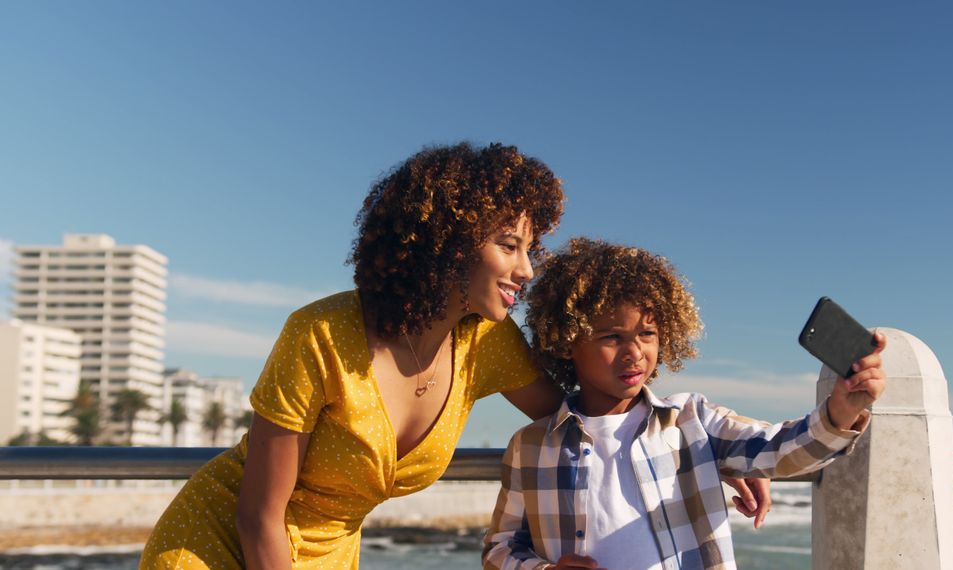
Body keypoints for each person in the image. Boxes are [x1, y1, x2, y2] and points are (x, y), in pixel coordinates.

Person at [138, 142, 773, 569]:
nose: (527, 269)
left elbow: (593, 420)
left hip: (332, 555)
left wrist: (695, 452)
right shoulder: (320, 335)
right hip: (219, 545)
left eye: (531, 248)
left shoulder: (486, 344)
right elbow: (259, 514)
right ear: (446, 242)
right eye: (509, 245)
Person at [482, 238, 888, 570]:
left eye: (647, 334)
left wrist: (841, 412)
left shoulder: (693, 420)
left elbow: (779, 449)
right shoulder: (531, 446)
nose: (634, 353)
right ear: (568, 341)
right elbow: (500, 547)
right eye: (611, 337)